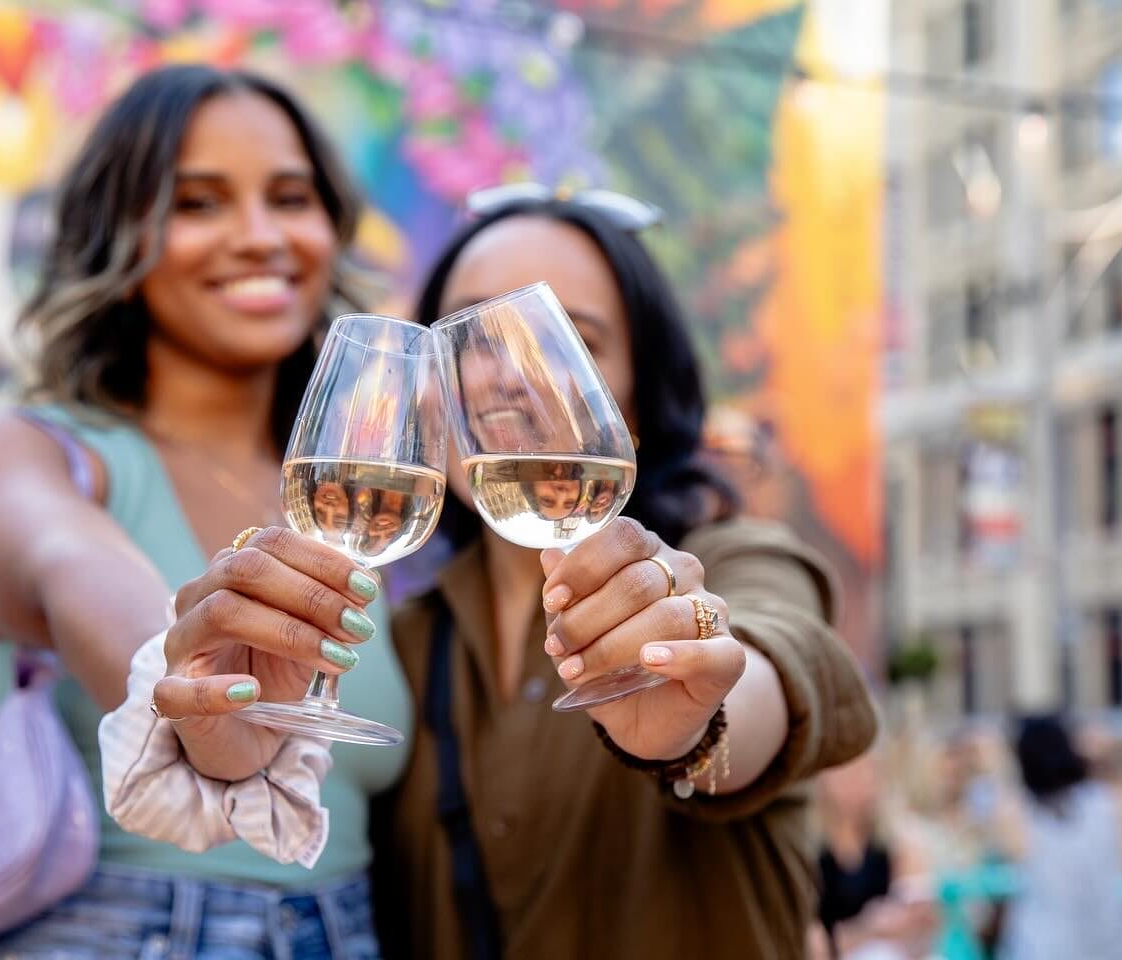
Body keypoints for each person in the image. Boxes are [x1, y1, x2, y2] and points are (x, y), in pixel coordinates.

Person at [129, 194, 878, 957]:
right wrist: (229, 733)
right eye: (472, 342)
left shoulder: (735, 562)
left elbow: (767, 673)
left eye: (572, 340)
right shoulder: (405, 640)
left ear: (637, 400)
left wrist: (693, 715)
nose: (511, 377)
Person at [0, 65, 410, 958]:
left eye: (290, 197)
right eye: (198, 203)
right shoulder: (18, 450)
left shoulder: (370, 499)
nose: (260, 237)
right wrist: (187, 684)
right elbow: (64, 559)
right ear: (118, 234)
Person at [997, 714, 1122, 960]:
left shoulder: (1017, 811)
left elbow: (1014, 849)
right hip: (1113, 941)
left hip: (1043, 946)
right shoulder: (1108, 801)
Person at [815, 752, 938, 959]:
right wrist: (868, 928)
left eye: (867, 769)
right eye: (848, 771)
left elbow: (921, 931)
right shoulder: (810, 855)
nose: (859, 779)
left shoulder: (895, 846)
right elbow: (810, 948)